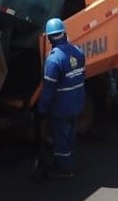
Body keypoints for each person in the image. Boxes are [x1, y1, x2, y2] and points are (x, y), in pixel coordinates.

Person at [34, 17, 86, 180]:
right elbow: (81, 76)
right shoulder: (78, 51)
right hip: (77, 102)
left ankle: (65, 169)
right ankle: (65, 160)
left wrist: (42, 110)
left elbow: (49, 90)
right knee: (70, 133)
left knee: (61, 137)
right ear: (64, 33)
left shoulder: (53, 60)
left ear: (49, 38)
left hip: (61, 107)